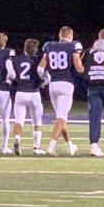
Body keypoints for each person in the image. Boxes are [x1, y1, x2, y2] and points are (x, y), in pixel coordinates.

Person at [74, 29, 104, 157]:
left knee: (94, 117)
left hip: (93, 87)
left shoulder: (88, 52)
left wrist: (89, 73)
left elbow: (80, 67)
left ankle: (94, 145)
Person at [38, 26, 82, 156]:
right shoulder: (74, 46)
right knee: (61, 118)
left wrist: (45, 80)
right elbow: (79, 68)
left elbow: (40, 69)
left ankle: (70, 144)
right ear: (71, 36)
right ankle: (51, 146)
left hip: (53, 84)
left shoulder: (49, 45)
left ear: (59, 35)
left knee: (61, 118)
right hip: (66, 84)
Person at [8, 37, 46, 155]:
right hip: (34, 92)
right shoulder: (38, 59)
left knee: (19, 120)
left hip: (20, 91)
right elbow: (45, 76)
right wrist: (43, 83)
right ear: (35, 50)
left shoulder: (17, 59)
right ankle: (36, 147)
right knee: (37, 122)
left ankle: (17, 138)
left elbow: (11, 75)